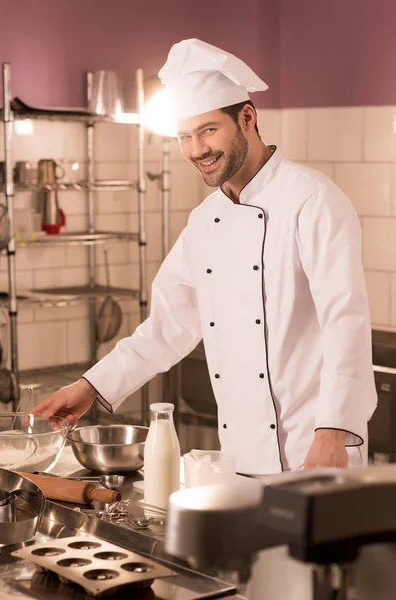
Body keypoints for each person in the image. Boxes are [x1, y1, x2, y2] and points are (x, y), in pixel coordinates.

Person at [32, 39, 377, 475]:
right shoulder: (204, 221)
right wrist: (90, 386)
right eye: (185, 137)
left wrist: (334, 431)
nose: (197, 150)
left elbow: (345, 320)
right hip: (241, 454)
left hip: (319, 446)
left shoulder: (312, 200)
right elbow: (166, 327)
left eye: (209, 130)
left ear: (247, 118)